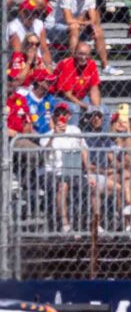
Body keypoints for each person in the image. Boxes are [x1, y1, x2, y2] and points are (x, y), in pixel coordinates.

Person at [50, 0, 119, 74]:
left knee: (97, 30)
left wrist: (88, 24)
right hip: (56, 27)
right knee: (74, 27)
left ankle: (105, 66)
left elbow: (93, 20)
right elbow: (68, 20)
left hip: (77, 27)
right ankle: (72, 65)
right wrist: (84, 23)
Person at [38, 103, 85, 233]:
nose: (61, 116)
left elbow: (84, 150)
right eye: (57, 114)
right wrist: (54, 135)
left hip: (74, 171)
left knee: (94, 184)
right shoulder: (47, 133)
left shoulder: (75, 130)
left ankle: (95, 225)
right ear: (53, 116)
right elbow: (43, 154)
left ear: (69, 116)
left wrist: (89, 171)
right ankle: (65, 225)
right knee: (62, 185)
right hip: (53, 173)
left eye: (64, 114)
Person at [53, 42, 102, 125]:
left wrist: (96, 109)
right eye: (80, 54)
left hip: (80, 96)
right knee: (75, 108)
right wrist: (86, 106)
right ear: (74, 53)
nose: (83, 57)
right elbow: (67, 95)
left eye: (87, 55)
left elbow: (94, 90)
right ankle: (74, 135)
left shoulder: (91, 64)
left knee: (104, 110)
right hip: (60, 97)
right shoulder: (67, 64)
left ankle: (100, 137)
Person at [8, 0, 51, 67]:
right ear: (21, 12)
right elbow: (17, 53)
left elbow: (44, 49)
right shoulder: (13, 27)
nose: (32, 16)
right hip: (21, 62)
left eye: (35, 13)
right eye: (28, 12)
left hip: (38, 62)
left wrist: (49, 67)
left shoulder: (39, 24)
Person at [21, 68, 57, 134]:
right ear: (39, 82)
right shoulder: (25, 96)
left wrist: (54, 133)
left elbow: (50, 119)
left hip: (49, 134)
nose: (51, 83)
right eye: (48, 81)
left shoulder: (50, 99)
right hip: (33, 134)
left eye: (51, 82)